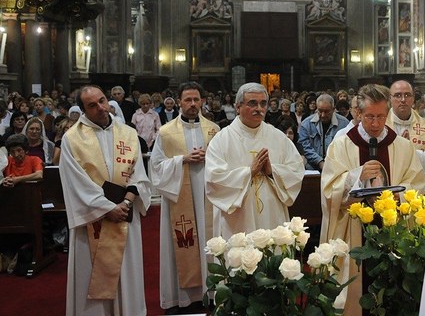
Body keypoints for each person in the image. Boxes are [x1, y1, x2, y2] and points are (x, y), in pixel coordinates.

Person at [321, 84, 425, 315]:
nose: (376, 123)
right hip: (353, 231)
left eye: (380, 116)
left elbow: (416, 186)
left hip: (393, 228)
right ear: (358, 113)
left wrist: (392, 197)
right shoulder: (341, 145)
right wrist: (356, 177)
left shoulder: (403, 146)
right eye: (369, 117)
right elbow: (329, 190)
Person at [59, 85, 151, 316]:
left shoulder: (128, 133)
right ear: (82, 110)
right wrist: (106, 208)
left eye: (102, 100)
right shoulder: (72, 139)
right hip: (94, 220)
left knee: (126, 275)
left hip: (124, 216)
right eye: (92, 105)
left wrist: (126, 203)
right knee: (92, 279)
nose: (101, 107)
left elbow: (138, 173)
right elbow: (74, 182)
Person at [150, 82, 220, 313]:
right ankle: (183, 298)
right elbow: (156, 168)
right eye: (188, 100)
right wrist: (182, 160)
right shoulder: (166, 132)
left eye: (196, 100)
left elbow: (224, 163)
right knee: (185, 242)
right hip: (179, 194)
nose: (192, 104)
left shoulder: (214, 130)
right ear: (179, 101)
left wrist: (208, 158)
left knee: (208, 244)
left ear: (202, 101)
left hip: (208, 197)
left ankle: (211, 293)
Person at [205, 82, 304, 239]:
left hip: (272, 215)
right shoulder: (222, 140)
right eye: (252, 103)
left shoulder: (278, 137)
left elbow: (296, 170)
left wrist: (272, 172)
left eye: (263, 103)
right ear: (238, 107)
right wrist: (249, 172)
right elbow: (213, 180)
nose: (259, 108)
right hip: (238, 219)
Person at [387, 80, 425, 195]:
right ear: (390, 99)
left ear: (413, 99)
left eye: (407, 95)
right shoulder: (381, 124)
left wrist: (412, 152)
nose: (403, 100)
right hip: (387, 195)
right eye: (398, 95)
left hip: (418, 197)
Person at [298, 93, 349, 171]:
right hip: (312, 169)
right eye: (320, 111)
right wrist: (320, 162)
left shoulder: (344, 123)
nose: (323, 115)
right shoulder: (306, 124)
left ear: (333, 109)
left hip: (337, 168)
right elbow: (305, 147)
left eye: (327, 111)